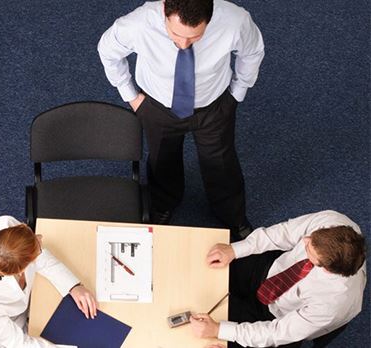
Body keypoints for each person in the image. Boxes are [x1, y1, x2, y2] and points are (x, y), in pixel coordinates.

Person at [98, 0, 264, 239]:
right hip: (157, 106)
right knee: (162, 159)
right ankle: (164, 205)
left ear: (210, 18)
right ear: (165, 11)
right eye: (175, 34)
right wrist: (131, 97)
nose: (183, 43)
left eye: (195, 37)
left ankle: (232, 216)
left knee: (222, 162)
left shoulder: (235, 21)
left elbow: (253, 52)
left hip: (214, 106)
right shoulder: (138, 24)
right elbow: (107, 51)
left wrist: (237, 93)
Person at [189, 210, 367, 347]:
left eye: (308, 250)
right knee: (203, 267)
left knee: (206, 334)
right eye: (311, 238)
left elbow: (277, 332)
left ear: (326, 269)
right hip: (272, 270)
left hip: (277, 317)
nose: (304, 240)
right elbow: (283, 233)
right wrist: (235, 250)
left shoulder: (332, 304)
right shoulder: (332, 221)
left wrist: (219, 330)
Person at [0, 216, 98, 347]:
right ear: (20, 271)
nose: (40, 237)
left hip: (19, 313)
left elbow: (39, 258)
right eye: (37, 246)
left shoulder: (6, 225)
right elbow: (18, 343)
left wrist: (74, 286)